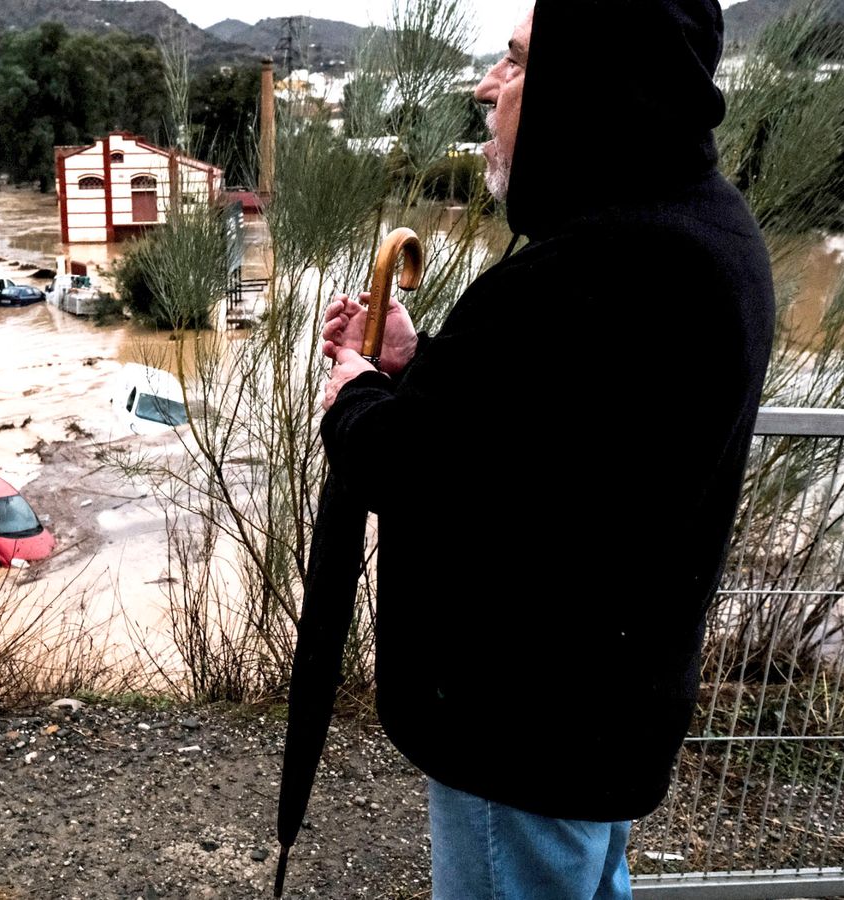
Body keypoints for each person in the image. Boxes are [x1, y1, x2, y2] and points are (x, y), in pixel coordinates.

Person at [318, 1, 775, 897]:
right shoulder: (699, 229)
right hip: (602, 711)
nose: (487, 86)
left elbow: (411, 466)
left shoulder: (593, 268)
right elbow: (543, 439)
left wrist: (353, 394)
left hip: (521, 729)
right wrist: (419, 363)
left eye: (517, 62)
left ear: (590, 82)